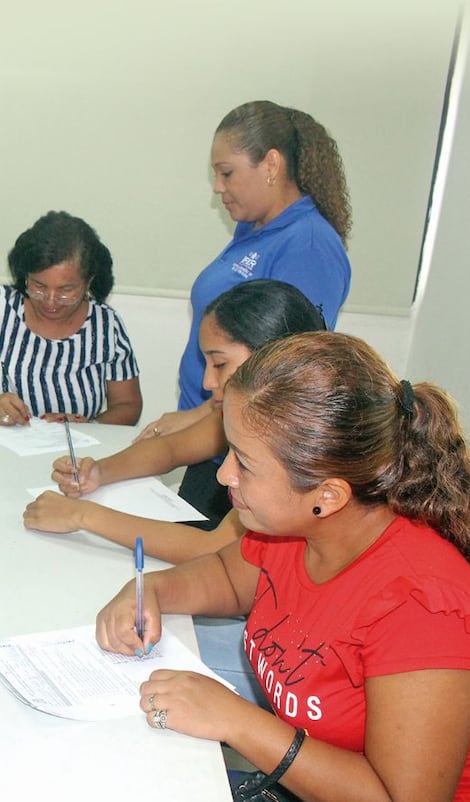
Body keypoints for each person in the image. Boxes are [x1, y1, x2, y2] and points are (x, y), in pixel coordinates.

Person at [96, 332, 470, 801]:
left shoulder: (421, 608)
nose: (224, 475)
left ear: (327, 494)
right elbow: (225, 576)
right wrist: (150, 591)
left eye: (245, 463)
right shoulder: (298, 528)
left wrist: (237, 720)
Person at [139, 100, 352, 521]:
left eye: (227, 172)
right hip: (215, 441)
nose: (218, 187)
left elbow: (283, 370)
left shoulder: (306, 244)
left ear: (271, 164)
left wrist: (195, 416)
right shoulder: (253, 229)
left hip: (247, 456)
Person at [25, 279, 326, 549]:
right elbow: (171, 448)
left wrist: (83, 515)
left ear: (271, 357)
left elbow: (213, 550)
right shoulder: (248, 414)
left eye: (219, 364)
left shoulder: (297, 447)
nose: (208, 382)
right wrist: (100, 472)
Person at [0, 210, 142, 426]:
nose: (50, 301)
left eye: (65, 290)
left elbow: (128, 406)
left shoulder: (105, 326)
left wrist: (89, 427)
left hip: (73, 454)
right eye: (38, 286)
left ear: (89, 282)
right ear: (25, 275)